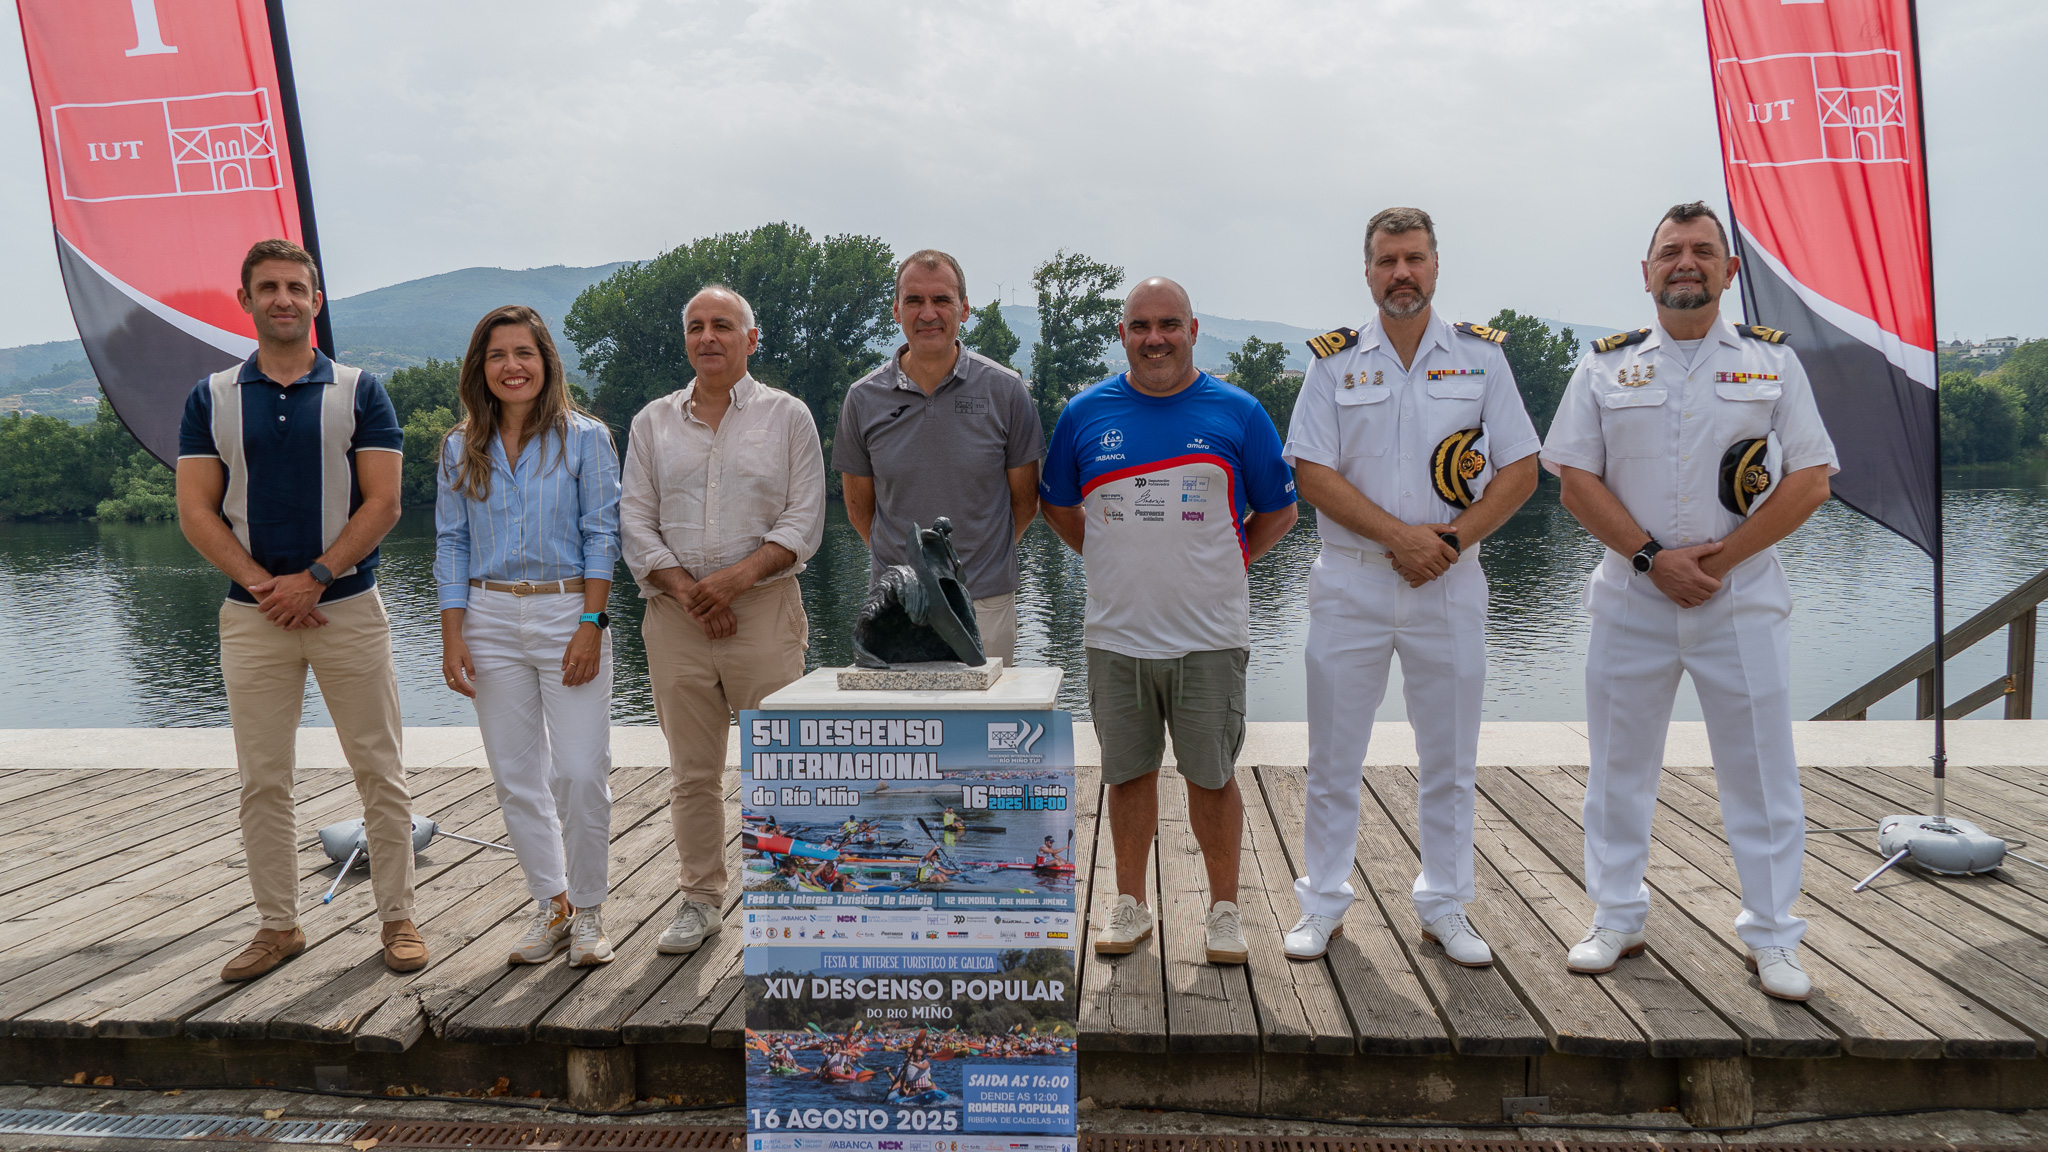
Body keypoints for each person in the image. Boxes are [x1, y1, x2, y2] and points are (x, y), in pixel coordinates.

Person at [1541, 202, 1836, 1000]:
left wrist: (1715, 563)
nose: (1686, 263)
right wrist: (1651, 560)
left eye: (1704, 251)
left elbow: (1810, 479)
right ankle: (1615, 917)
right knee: (1618, 769)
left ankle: (1773, 936)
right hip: (1631, 601)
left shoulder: (1775, 364)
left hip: (1738, 600)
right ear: (1646, 273)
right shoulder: (1605, 367)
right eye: (1671, 251)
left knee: (1761, 772)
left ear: (1729, 272)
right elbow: (1572, 478)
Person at [1280, 208, 1541, 966]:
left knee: (1451, 758)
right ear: (1367, 272)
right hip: (1352, 583)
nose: (1402, 273)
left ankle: (1445, 906)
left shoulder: (1483, 359)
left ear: (1436, 265)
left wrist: (1451, 542)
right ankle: (1322, 905)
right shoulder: (1334, 364)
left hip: (1451, 583)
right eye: (1387, 260)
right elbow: (1312, 473)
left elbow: (1520, 470)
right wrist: (1401, 538)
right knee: (1333, 757)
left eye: (1415, 258)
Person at [175, 239, 426, 981]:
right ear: (246, 300)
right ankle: (278, 926)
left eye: (296, 287)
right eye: (268, 287)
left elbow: (384, 504)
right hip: (254, 617)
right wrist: (264, 585)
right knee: (263, 779)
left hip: (346, 607)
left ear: (316, 302)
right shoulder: (211, 396)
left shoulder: (360, 390)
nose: (283, 298)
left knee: (379, 770)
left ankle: (398, 918)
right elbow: (196, 512)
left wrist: (314, 577)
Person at [1040, 277, 1299, 966]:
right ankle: (1131, 904)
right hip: (1116, 635)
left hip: (1210, 636)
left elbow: (1280, 510)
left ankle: (1223, 911)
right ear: (1122, 333)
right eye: (1141, 326)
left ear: (1191, 329)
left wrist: (1231, 560)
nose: (1155, 338)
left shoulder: (1239, 413)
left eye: (1169, 325)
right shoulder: (1084, 414)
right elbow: (1059, 506)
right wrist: (1107, 555)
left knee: (1211, 777)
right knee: (1127, 776)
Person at [622, 285, 826, 957]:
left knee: (783, 766)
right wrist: (688, 591)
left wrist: (734, 580)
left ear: (751, 338)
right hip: (675, 619)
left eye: (723, 326)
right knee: (692, 773)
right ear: (686, 340)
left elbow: (804, 519)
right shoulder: (652, 422)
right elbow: (634, 523)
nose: (708, 337)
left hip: (763, 610)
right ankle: (701, 901)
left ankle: (789, 901)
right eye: (696, 327)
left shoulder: (788, 417)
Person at [435, 305, 622, 968]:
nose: (512, 366)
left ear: (546, 363)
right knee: (516, 776)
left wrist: (591, 624)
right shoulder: (462, 447)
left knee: (578, 771)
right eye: (497, 356)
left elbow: (604, 534)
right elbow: (451, 543)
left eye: (524, 353)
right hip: (487, 619)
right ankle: (553, 905)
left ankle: (592, 912)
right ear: (479, 371)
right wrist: (453, 634)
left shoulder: (585, 439)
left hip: (566, 612)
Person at [835, 250, 1043, 665]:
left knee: (984, 726)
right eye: (914, 301)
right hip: (896, 606)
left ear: (964, 309)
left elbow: (1025, 501)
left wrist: (972, 565)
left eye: (942, 300)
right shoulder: (863, 398)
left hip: (985, 603)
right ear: (896, 311)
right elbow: (860, 510)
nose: (928, 313)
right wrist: (916, 574)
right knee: (905, 731)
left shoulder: (1006, 391)